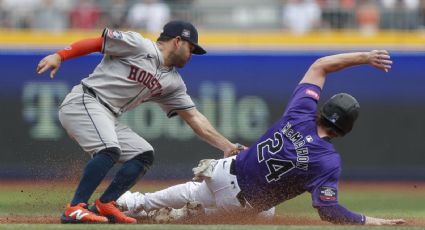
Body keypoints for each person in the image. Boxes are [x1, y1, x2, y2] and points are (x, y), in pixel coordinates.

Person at [116, 50, 406, 226]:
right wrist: (371, 221)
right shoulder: (328, 161)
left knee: (177, 197)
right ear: (346, 129)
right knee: (243, 211)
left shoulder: (301, 112)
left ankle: (125, 204)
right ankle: (173, 214)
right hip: (240, 205)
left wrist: (365, 57)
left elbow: (320, 65)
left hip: (222, 173)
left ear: (324, 109)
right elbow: (329, 211)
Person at [36, 20, 243, 224]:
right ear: (178, 41)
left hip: (108, 116)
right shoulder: (139, 45)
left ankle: (105, 204)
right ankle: (75, 207)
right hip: (85, 100)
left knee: (143, 154)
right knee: (109, 149)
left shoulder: (173, 83)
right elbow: (97, 43)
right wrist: (60, 56)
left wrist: (228, 146)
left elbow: (195, 118)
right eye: (191, 48)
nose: (192, 54)